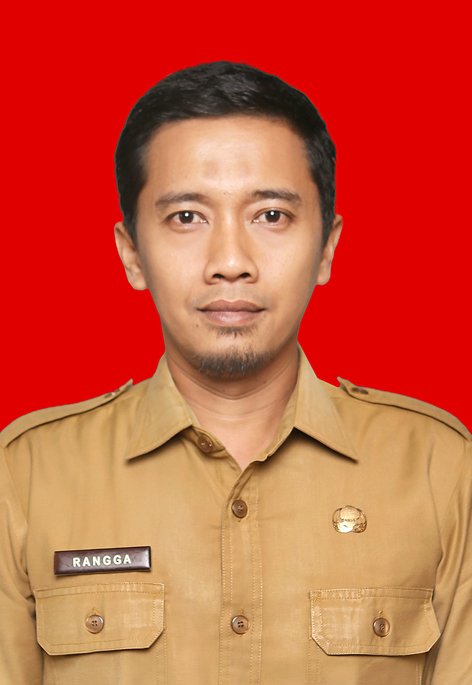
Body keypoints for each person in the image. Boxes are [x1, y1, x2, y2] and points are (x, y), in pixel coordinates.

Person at [0, 62, 470, 685]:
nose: (229, 261)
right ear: (131, 253)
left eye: (270, 215)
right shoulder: (27, 476)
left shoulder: (440, 470)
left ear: (327, 247)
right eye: (186, 217)